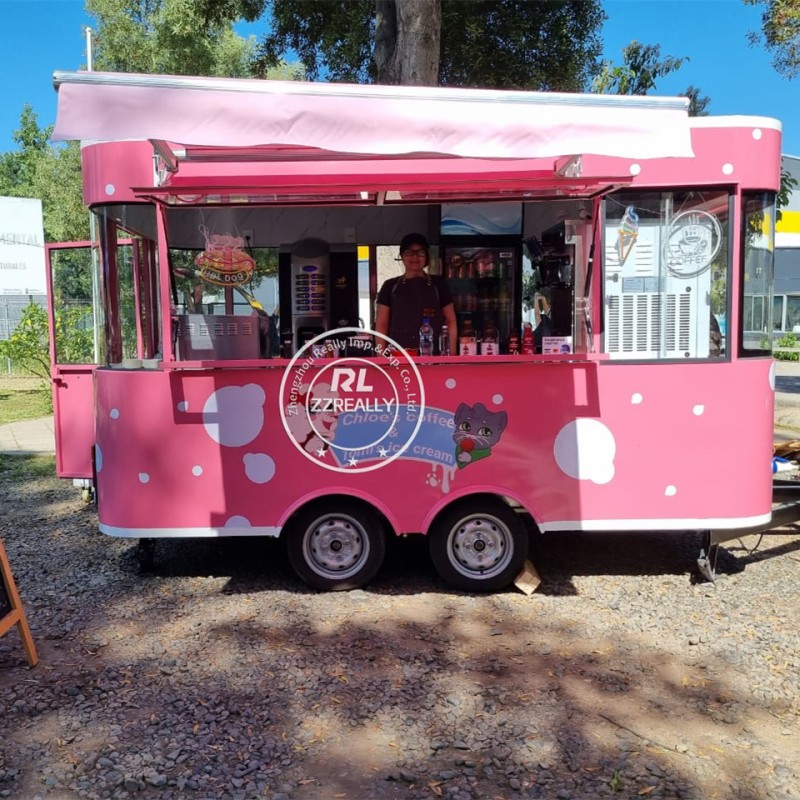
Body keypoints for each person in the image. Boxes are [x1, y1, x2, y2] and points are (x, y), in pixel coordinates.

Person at [375, 233, 458, 354]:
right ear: (402, 256)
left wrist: (452, 356)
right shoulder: (389, 286)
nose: (415, 257)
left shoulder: (439, 284)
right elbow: (381, 325)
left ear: (426, 257)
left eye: (420, 252)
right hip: (398, 358)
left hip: (434, 356)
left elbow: (450, 321)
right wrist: (381, 357)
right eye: (409, 252)